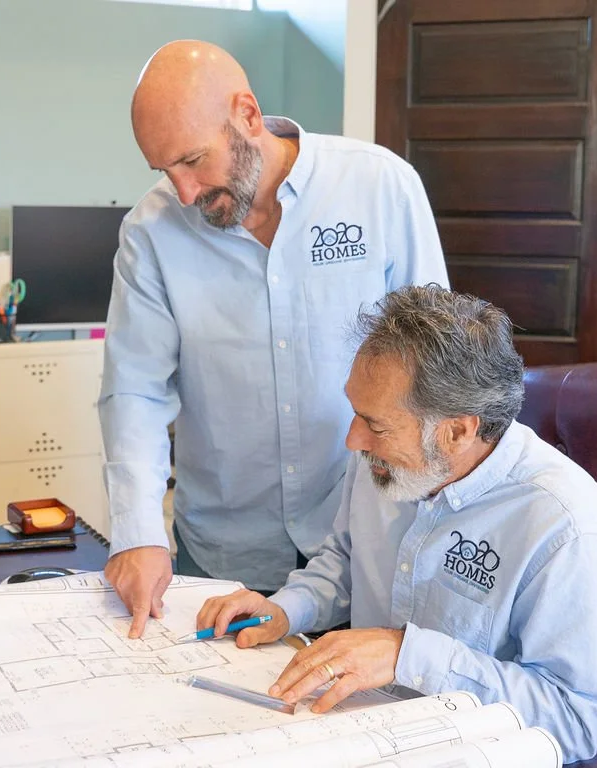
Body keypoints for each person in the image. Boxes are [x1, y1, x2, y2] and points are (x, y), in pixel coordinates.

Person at [196, 284, 597, 764]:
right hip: (357, 728)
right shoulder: (383, 462)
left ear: (457, 431)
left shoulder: (570, 529)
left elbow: (574, 720)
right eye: (355, 413)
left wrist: (407, 654)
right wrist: (283, 611)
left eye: (375, 425)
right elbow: (345, 561)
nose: (352, 440)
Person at [100, 40, 448, 638]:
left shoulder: (379, 186)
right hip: (224, 554)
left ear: (248, 115)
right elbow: (134, 391)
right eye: (165, 170)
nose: (184, 191)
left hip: (368, 538)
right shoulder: (151, 232)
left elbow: (437, 364)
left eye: (193, 160)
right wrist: (138, 533)